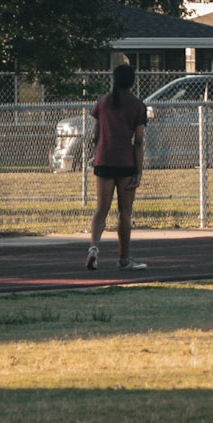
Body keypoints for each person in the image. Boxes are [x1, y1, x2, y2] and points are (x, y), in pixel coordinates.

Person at [85, 61, 149, 271]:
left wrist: (96, 155)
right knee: (125, 212)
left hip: (104, 160)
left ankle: (94, 247)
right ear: (132, 82)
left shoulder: (103, 102)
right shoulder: (138, 105)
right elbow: (138, 141)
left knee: (101, 209)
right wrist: (139, 171)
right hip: (125, 163)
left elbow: (96, 135)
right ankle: (124, 259)